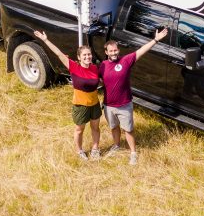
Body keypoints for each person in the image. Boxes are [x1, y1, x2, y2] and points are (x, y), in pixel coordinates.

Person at [99, 28, 168, 165]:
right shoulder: (102, 65)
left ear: (118, 50)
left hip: (124, 105)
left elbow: (141, 50)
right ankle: (116, 145)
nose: (114, 53)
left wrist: (155, 40)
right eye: (111, 51)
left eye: (115, 50)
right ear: (106, 52)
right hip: (108, 105)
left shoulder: (126, 61)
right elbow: (98, 79)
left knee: (128, 130)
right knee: (114, 127)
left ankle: (133, 153)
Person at [33, 31, 102, 161]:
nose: (87, 57)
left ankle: (95, 149)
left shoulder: (94, 68)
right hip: (80, 105)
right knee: (79, 129)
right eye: (84, 55)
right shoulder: (74, 67)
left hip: (94, 104)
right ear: (79, 57)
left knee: (95, 128)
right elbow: (59, 53)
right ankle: (79, 151)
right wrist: (45, 40)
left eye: (89, 54)